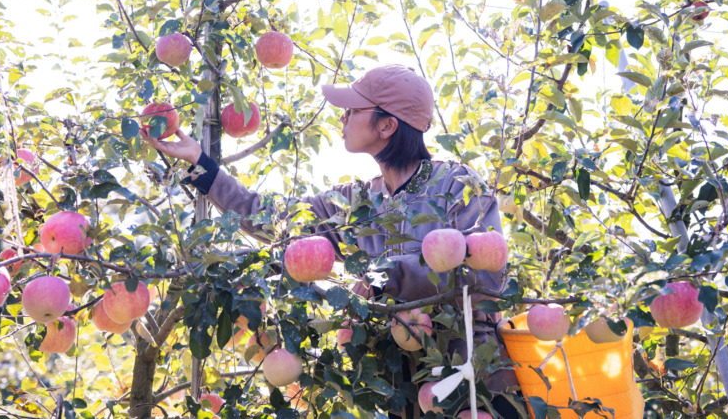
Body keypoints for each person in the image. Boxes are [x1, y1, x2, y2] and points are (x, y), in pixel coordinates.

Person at [142, 64, 519, 418]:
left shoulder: (456, 185)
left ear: (387, 126)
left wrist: (383, 277)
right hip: (399, 384)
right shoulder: (357, 203)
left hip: (472, 381)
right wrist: (201, 166)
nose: (342, 116)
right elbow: (271, 218)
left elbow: (484, 276)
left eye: (353, 110)